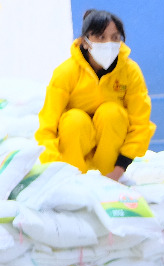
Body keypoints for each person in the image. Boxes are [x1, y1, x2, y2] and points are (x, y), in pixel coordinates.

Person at [35, 9, 154, 180]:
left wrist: (119, 170)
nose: (108, 43)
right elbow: (47, 128)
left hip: (111, 166)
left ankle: (106, 178)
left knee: (112, 113)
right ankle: (74, 177)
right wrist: (55, 168)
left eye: (114, 38)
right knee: (73, 119)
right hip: (72, 160)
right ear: (84, 42)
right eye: (100, 37)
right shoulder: (66, 72)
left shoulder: (130, 72)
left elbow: (141, 125)